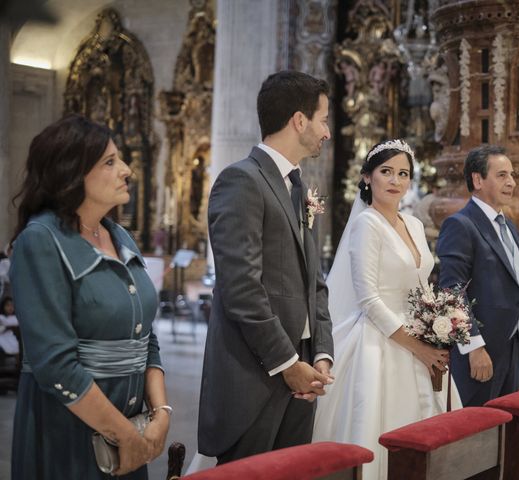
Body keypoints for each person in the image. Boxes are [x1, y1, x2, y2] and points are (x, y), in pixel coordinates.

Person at [9, 115, 170, 479]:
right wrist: (126, 435)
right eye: (110, 162)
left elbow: (146, 336)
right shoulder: (41, 240)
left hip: (130, 431)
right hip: (68, 433)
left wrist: (161, 413)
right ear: (72, 173)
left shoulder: (119, 236)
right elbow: (54, 364)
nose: (126, 170)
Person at [197, 70, 334, 464]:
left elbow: (315, 282)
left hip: (302, 369)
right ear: (299, 120)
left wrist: (321, 352)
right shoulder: (241, 180)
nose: (326, 132)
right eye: (323, 120)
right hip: (257, 373)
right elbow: (242, 288)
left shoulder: (298, 187)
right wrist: (287, 363)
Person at [313, 139, 461, 479]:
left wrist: (440, 322)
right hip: (380, 340)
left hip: (422, 338)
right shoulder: (367, 224)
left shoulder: (415, 225)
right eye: (386, 172)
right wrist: (417, 347)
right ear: (367, 178)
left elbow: (423, 285)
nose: (395, 181)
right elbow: (368, 299)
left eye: (403, 173)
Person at [436, 145, 519, 407]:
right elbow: (451, 291)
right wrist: (473, 347)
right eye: (502, 175)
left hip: (512, 347)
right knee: (475, 436)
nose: (512, 182)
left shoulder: (510, 227)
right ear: (478, 179)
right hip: (480, 353)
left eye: (512, 175)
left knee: (506, 433)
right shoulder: (460, 225)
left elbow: (518, 285)